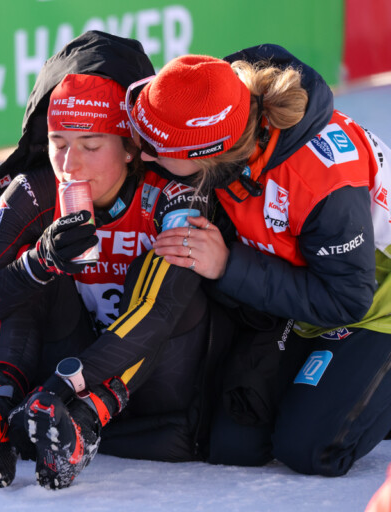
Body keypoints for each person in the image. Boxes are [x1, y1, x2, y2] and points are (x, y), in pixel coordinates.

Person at [0, 31, 233, 490]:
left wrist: (62, 389)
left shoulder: (171, 193)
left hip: (154, 375)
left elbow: (162, 312)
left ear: (130, 148)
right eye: (58, 143)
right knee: (26, 270)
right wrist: (40, 261)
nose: (70, 163)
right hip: (67, 368)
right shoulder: (34, 189)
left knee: (167, 267)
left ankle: (83, 425)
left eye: (91, 146)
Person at [128, 45, 391, 476]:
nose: (142, 155)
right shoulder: (219, 104)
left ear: (202, 155)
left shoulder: (321, 181)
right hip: (303, 289)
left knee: (309, 448)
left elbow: (348, 299)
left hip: (374, 300)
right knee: (237, 443)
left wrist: (228, 266)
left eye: (154, 147)